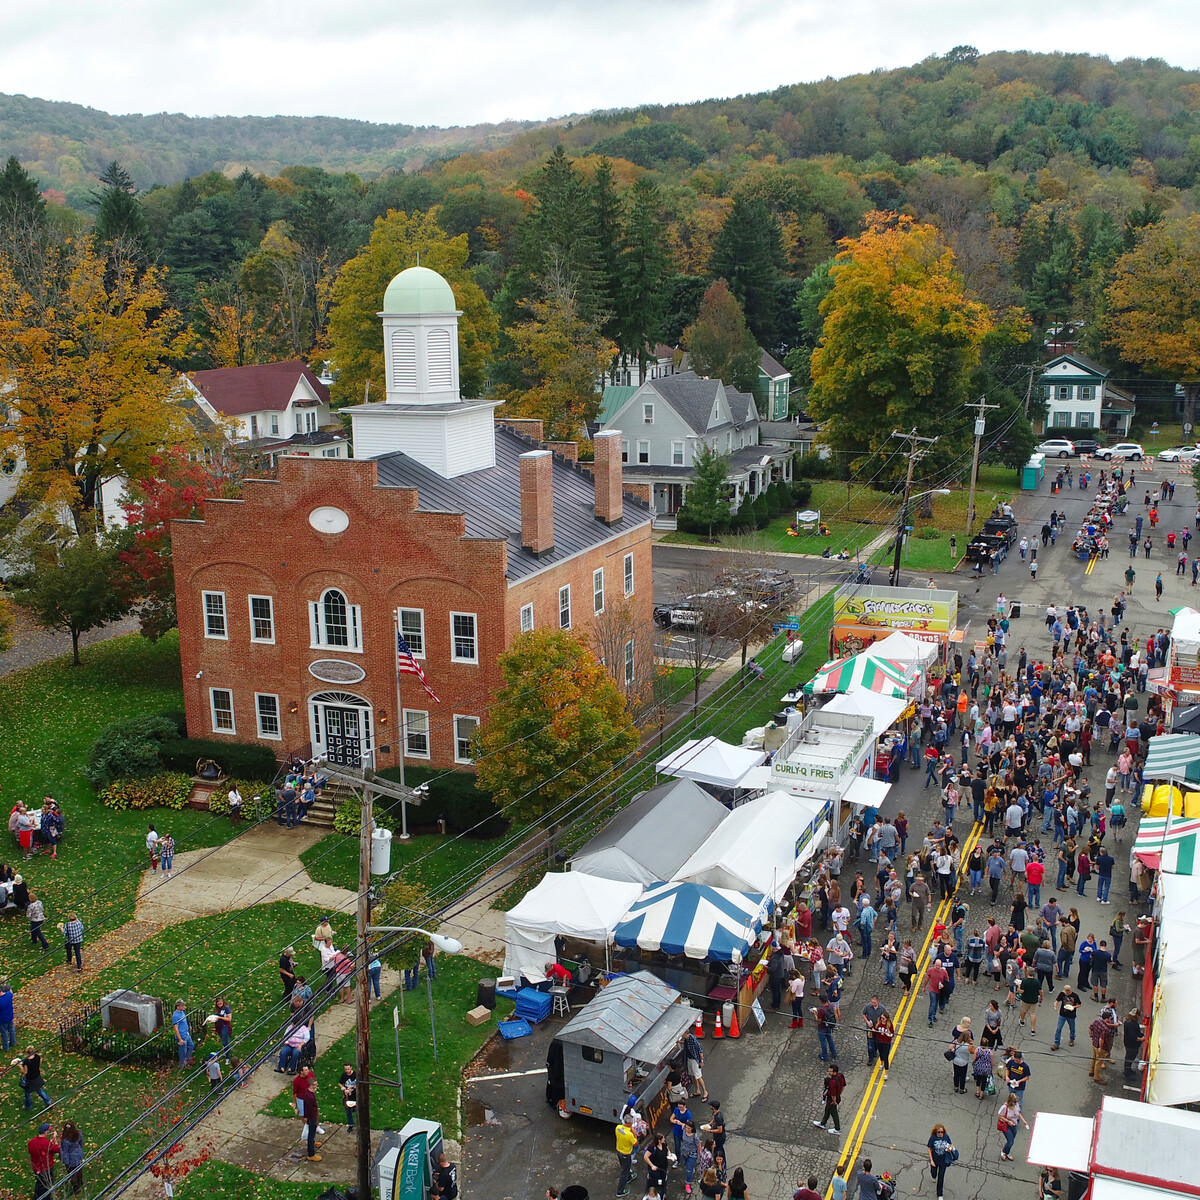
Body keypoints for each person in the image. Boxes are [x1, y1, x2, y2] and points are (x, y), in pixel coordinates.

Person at [28, 1120, 58, 1200]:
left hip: (36, 1168)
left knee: (39, 1183)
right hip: (46, 1168)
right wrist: (54, 1139)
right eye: (48, 1131)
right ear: (46, 1132)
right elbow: (56, 1149)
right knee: (46, 1185)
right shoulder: (46, 1143)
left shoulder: (31, 1142)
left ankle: (37, 1197)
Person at [926, 1123, 958, 1200]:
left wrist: (950, 1148)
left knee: (941, 1177)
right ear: (935, 1132)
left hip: (943, 1160)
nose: (940, 1134)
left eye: (942, 1132)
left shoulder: (946, 1137)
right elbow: (929, 1149)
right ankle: (933, 1176)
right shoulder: (933, 1138)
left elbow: (950, 1145)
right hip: (935, 1159)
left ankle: (940, 1194)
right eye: (939, 1132)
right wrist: (932, 1161)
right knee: (934, 1173)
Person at [813, 1063, 846, 1133]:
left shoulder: (832, 1082)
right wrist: (839, 1094)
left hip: (832, 1100)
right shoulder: (841, 1076)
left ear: (834, 1072)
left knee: (834, 1114)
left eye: (831, 1071)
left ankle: (837, 1129)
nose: (829, 1072)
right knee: (827, 1110)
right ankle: (823, 1123)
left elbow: (833, 1094)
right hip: (837, 1097)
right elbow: (843, 1086)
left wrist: (834, 1102)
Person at [997, 1092, 1029, 1161]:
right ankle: (1003, 1151)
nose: (1016, 1103)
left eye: (1016, 1102)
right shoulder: (1005, 1107)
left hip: (1014, 1125)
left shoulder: (1016, 1105)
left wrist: (1024, 1121)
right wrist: (1008, 1121)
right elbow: (999, 1116)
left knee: (1012, 1140)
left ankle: (1007, 1152)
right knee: (1010, 1141)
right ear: (1010, 1101)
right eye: (1014, 1102)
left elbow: (1018, 1113)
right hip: (1006, 1125)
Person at [1052, 985, 1081, 1050]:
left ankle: (1072, 1038)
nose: (1065, 993)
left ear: (1069, 991)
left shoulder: (1075, 996)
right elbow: (1057, 1001)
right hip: (1062, 1014)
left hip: (1071, 1015)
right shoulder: (1062, 994)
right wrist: (1055, 1006)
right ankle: (1056, 1043)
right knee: (1058, 1029)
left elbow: (1079, 1004)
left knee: (1072, 1028)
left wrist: (1074, 1007)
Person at [59, 1121, 83, 1196]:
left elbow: (65, 1152)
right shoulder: (78, 1133)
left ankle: (76, 1188)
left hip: (71, 1159)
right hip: (78, 1155)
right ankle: (80, 1181)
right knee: (79, 1169)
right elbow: (81, 1142)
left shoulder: (65, 1140)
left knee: (72, 1173)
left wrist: (65, 1161)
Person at [643, 1132, 670, 1197]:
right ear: (659, 1140)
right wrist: (652, 1166)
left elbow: (667, 1149)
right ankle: (655, 1193)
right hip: (655, 1169)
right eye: (663, 1139)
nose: (664, 1140)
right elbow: (645, 1157)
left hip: (663, 1167)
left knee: (663, 1178)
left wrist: (669, 1154)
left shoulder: (664, 1144)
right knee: (655, 1181)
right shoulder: (652, 1148)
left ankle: (663, 1191)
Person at [171, 1000, 194, 1067]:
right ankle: (182, 1064)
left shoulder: (182, 1012)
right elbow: (175, 1028)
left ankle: (187, 1059)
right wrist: (180, 1039)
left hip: (186, 1034)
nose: (184, 1007)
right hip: (182, 1036)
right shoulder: (176, 1016)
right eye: (182, 1006)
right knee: (182, 1051)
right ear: (178, 1007)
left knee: (191, 1046)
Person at [338, 1063, 357, 1129]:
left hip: (355, 1096)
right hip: (347, 1096)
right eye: (346, 1069)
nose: (347, 1071)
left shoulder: (356, 1075)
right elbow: (340, 1083)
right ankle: (350, 1125)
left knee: (358, 1111)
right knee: (348, 1111)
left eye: (348, 1069)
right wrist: (342, 1087)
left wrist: (353, 1088)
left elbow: (359, 1083)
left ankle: (360, 1125)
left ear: (351, 1068)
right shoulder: (344, 1075)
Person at [213, 996, 232, 1060]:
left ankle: (228, 1057)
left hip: (225, 1026)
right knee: (223, 1040)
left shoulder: (226, 1008)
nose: (219, 1005)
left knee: (225, 1041)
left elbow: (229, 1019)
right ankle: (226, 1051)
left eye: (220, 1004)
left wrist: (220, 1018)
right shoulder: (218, 1009)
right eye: (218, 1004)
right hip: (219, 1026)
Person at [0, 978, 13, 1052]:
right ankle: (13, 1042)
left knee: (4, 1033)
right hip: (10, 1016)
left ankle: (6, 1047)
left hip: (2, 1020)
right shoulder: (8, 995)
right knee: (11, 1029)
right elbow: (10, 992)